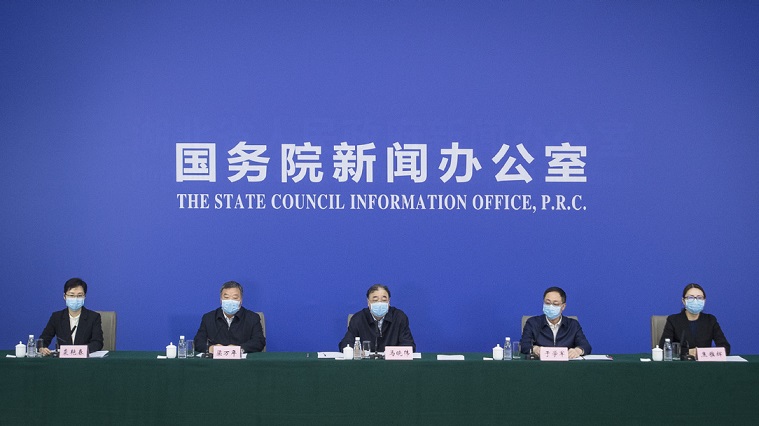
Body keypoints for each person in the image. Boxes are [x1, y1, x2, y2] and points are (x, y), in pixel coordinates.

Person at [194, 280, 266, 353]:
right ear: (221, 300)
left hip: (242, 359)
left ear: (241, 300)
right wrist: (211, 348)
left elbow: (259, 341)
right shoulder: (208, 318)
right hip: (216, 359)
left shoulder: (252, 318)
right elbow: (198, 341)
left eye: (235, 298)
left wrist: (239, 349)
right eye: (226, 297)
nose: (230, 301)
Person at [339, 284, 416, 352]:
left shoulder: (399, 317)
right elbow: (346, 344)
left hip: (392, 362)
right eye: (375, 300)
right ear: (368, 302)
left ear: (389, 302)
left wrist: (391, 353)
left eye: (384, 300)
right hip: (365, 362)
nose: (380, 303)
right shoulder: (358, 318)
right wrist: (357, 352)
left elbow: (409, 346)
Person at [660, 283, 730, 356]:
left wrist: (703, 353)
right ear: (683, 301)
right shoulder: (673, 320)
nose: (695, 301)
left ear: (704, 301)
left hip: (704, 362)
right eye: (691, 297)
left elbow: (725, 348)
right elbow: (663, 348)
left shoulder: (710, 320)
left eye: (699, 298)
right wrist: (687, 352)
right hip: (682, 361)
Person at [520, 286, 591, 359]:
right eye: (547, 303)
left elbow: (586, 346)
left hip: (566, 365)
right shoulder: (532, 323)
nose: (551, 307)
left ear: (563, 306)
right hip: (540, 364)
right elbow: (523, 345)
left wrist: (578, 350)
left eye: (555, 304)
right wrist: (534, 349)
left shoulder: (573, 325)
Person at [39, 277, 104, 355]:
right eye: (71, 295)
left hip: (85, 359)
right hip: (63, 360)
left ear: (84, 296)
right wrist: (42, 348)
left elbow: (97, 343)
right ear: (64, 296)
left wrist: (78, 351)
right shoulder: (57, 317)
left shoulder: (94, 317)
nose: (75, 299)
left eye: (79, 295)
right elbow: (43, 339)